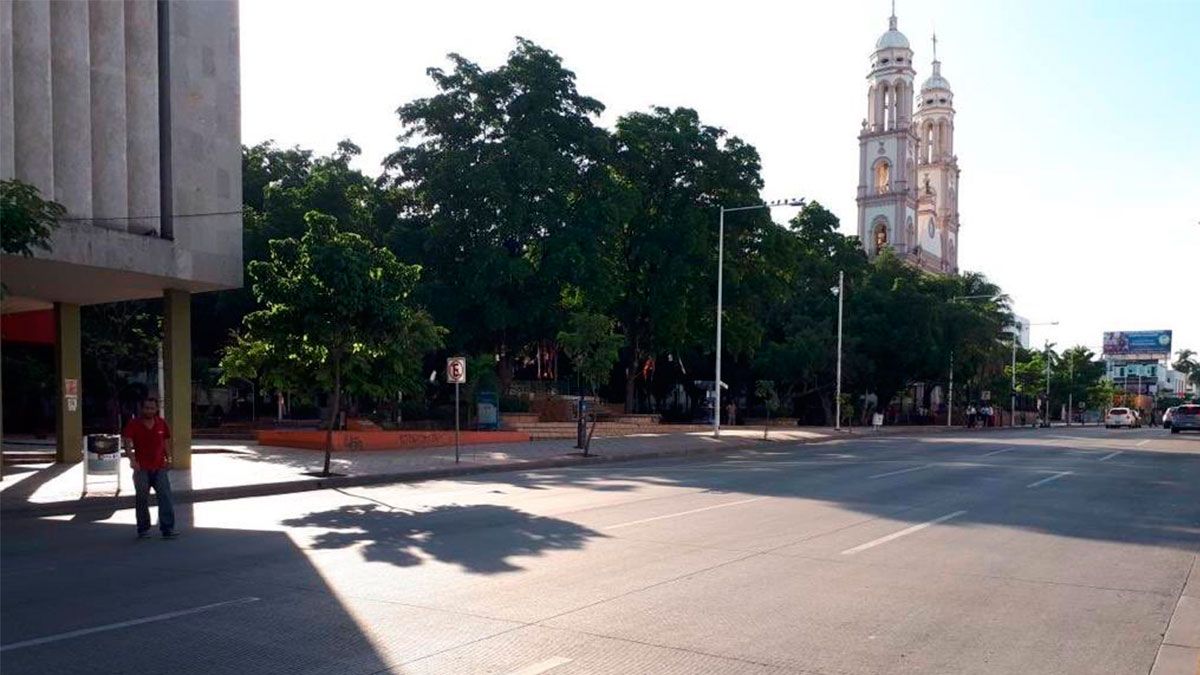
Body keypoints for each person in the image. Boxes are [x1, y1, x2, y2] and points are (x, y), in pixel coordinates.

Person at [122, 396, 177, 539]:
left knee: (165, 497)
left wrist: (169, 458)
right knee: (142, 498)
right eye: (146, 408)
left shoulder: (161, 423)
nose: (149, 410)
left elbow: (165, 442)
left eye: (152, 408)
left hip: (159, 467)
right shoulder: (134, 424)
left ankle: (167, 528)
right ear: (142, 408)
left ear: (156, 409)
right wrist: (132, 459)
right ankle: (143, 528)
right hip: (141, 469)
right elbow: (127, 442)